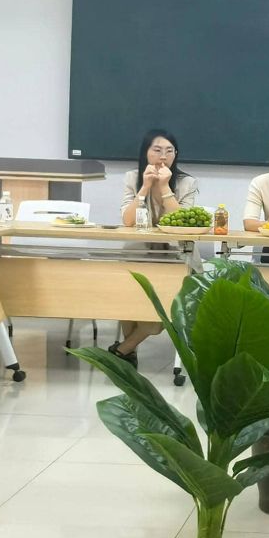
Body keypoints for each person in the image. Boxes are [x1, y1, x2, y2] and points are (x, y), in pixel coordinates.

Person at [112, 129, 199, 363]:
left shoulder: (187, 183)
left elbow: (183, 221)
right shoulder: (132, 177)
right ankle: (128, 352)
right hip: (137, 255)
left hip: (177, 257)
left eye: (169, 151)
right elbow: (128, 220)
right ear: (146, 152)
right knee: (127, 297)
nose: (163, 156)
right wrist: (144, 188)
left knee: (161, 311)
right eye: (157, 150)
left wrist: (164, 187)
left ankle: (124, 348)